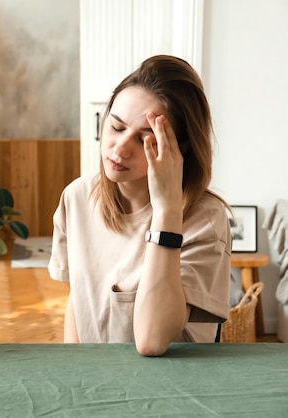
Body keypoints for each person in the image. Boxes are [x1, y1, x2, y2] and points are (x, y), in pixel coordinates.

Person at [48, 55, 231, 356]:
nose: (120, 149)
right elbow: (79, 301)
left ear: (180, 150)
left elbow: (152, 340)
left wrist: (167, 212)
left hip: (175, 392)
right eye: (116, 128)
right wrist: (74, 369)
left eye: (145, 140)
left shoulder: (205, 219)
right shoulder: (78, 197)